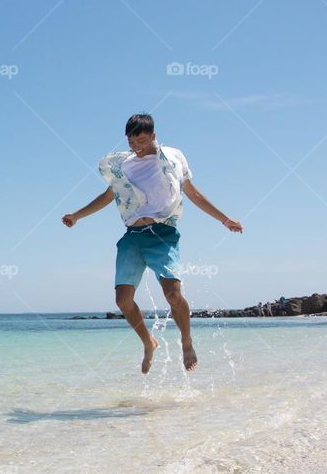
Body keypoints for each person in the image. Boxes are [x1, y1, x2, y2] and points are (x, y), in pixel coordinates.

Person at [62, 114, 243, 373]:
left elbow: (193, 194)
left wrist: (225, 219)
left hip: (162, 233)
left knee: (173, 294)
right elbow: (106, 196)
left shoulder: (171, 159)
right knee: (122, 301)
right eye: (132, 140)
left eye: (143, 140)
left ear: (154, 136)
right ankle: (149, 343)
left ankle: (186, 341)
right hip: (133, 236)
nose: (137, 146)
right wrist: (76, 216)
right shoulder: (123, 166)